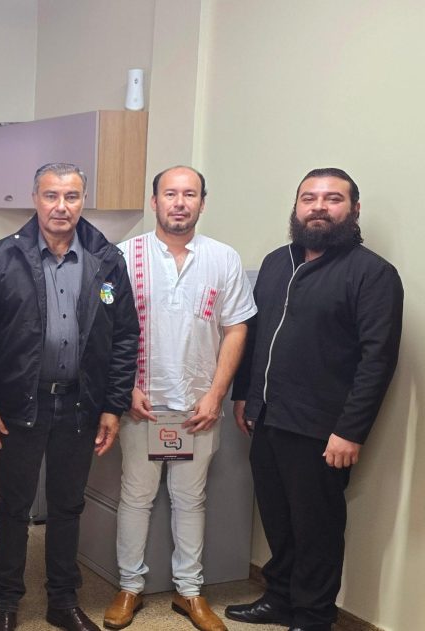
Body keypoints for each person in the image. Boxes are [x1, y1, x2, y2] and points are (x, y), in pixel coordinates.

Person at [227, 168, 403, 631]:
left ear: (354, 209)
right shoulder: (275, 263)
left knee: (316, 530)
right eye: (309, 198)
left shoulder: (373, 274)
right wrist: (244, 396)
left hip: (323, 430)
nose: (319, 207)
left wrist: (350, 431)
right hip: (267, 419)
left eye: (332, 198)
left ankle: (313, 616)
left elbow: (378, 360)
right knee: (278, 520)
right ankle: (280, 598)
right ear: (296, 207)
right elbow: (255, 335)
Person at [0, 163, 139, 631]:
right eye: (51, 196)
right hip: (20, 404)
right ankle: (6, 602)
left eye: (71, 196)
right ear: (35, 198)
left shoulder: (107, 259)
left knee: (68, 506)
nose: (61, 206)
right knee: (14, 506)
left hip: (80, 404)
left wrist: (113, 405)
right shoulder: (1, 257)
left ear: (83, 200)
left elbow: (125, 336)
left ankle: (62, 601)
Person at [102, 166, 256, 631]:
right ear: (155, 202)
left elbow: (236, 328)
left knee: (191, 500)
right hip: (142, 405)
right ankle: (129, 586)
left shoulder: (223, 258)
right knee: (136, 496)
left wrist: (216, 394)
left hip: (198, 407)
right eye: (170, 193)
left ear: (202, 203)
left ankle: (190, 592)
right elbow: (105, 329)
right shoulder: (123, 256)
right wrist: (125, 389)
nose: (180, 202)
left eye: (190, 194)